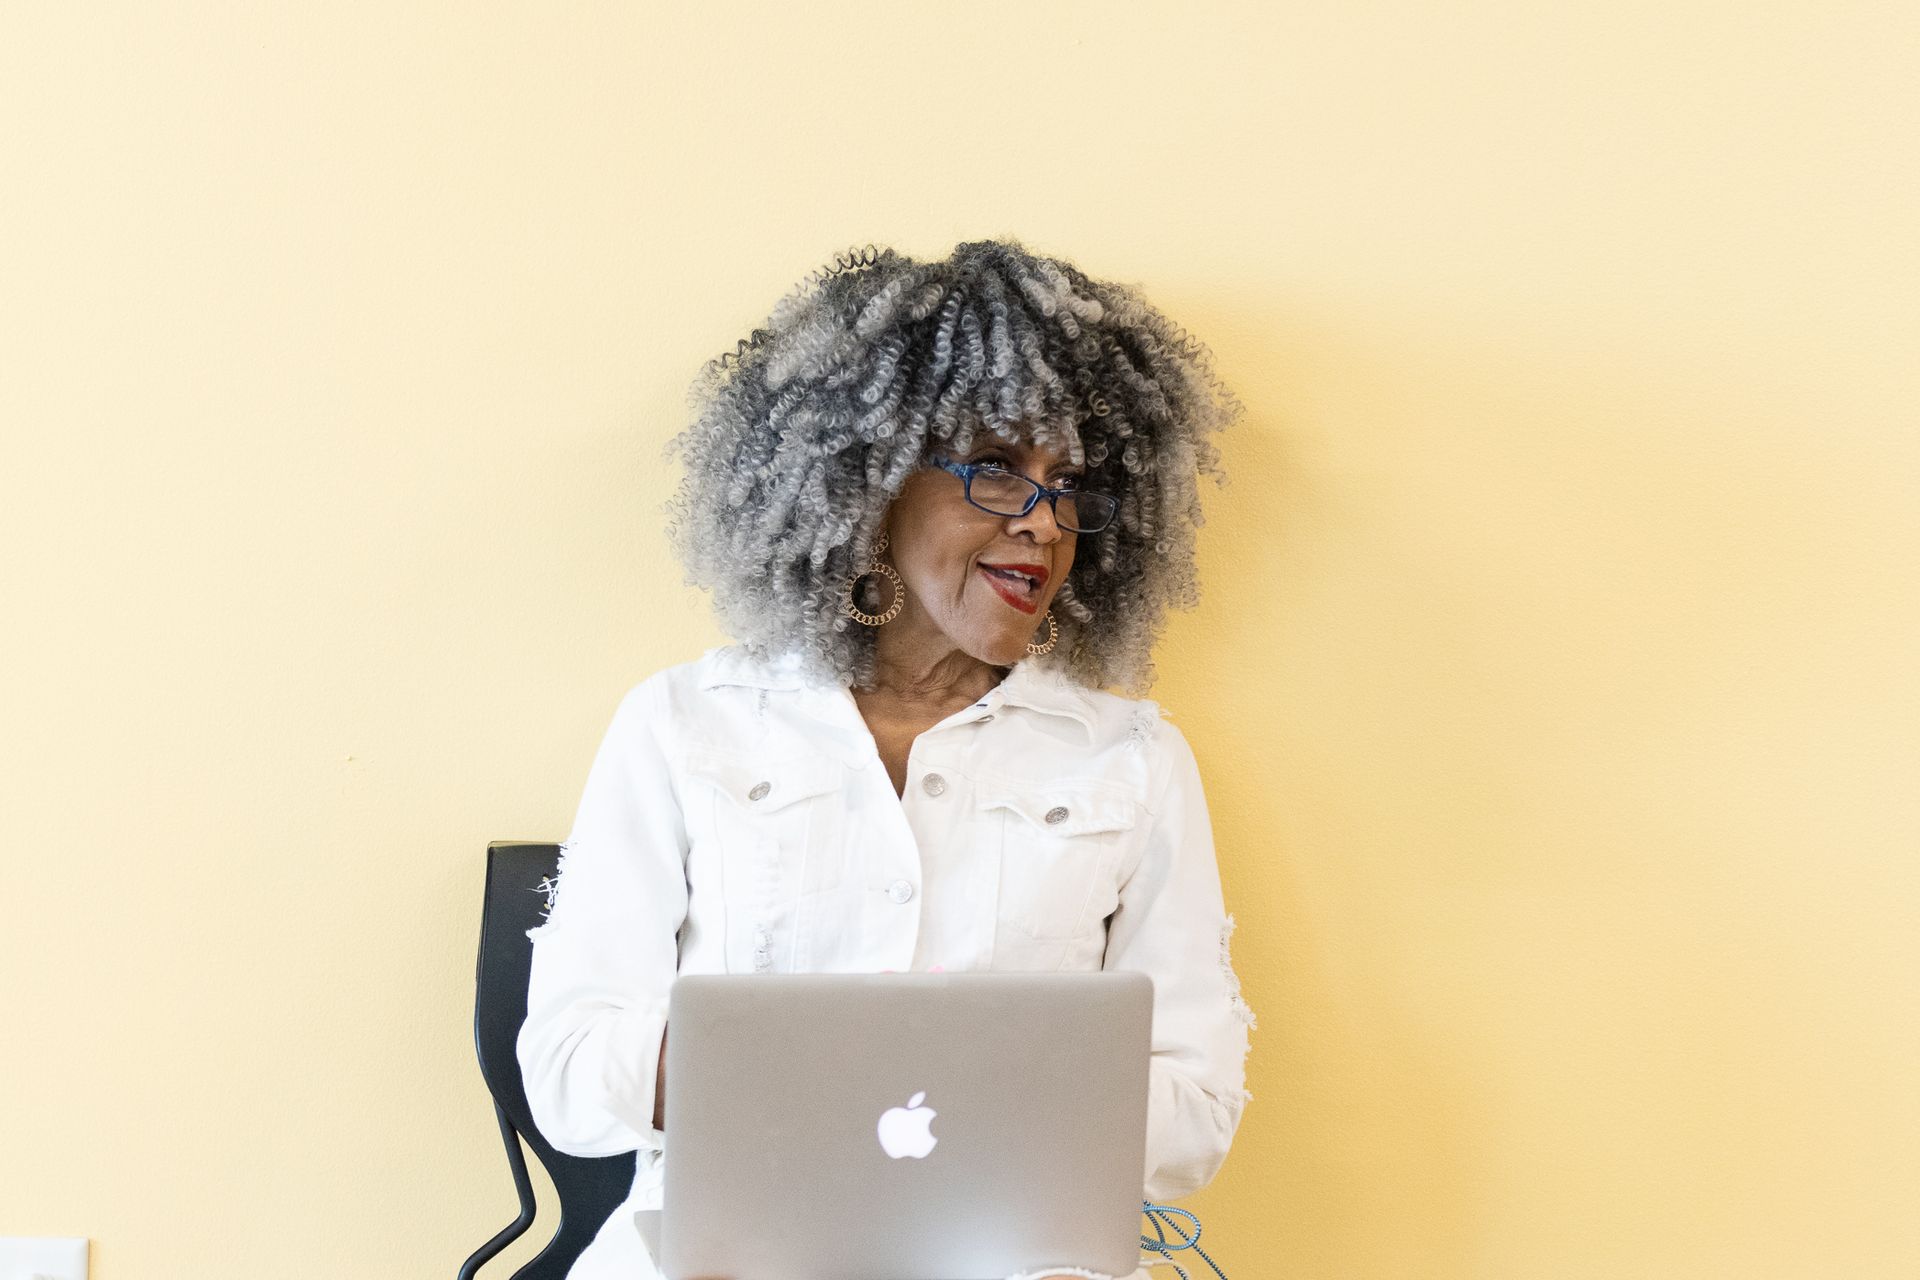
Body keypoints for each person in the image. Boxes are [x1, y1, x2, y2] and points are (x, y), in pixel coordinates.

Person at [517, 238, 1257, 1280]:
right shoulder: (686, 724)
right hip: (716, 1262)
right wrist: (806, 1068)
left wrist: (945, 1077)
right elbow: (565, 1072)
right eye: (995, 471)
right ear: (867, 479)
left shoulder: (1131, 760)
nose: (1044, 524)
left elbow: (1195, 1122)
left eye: (1069, 484)